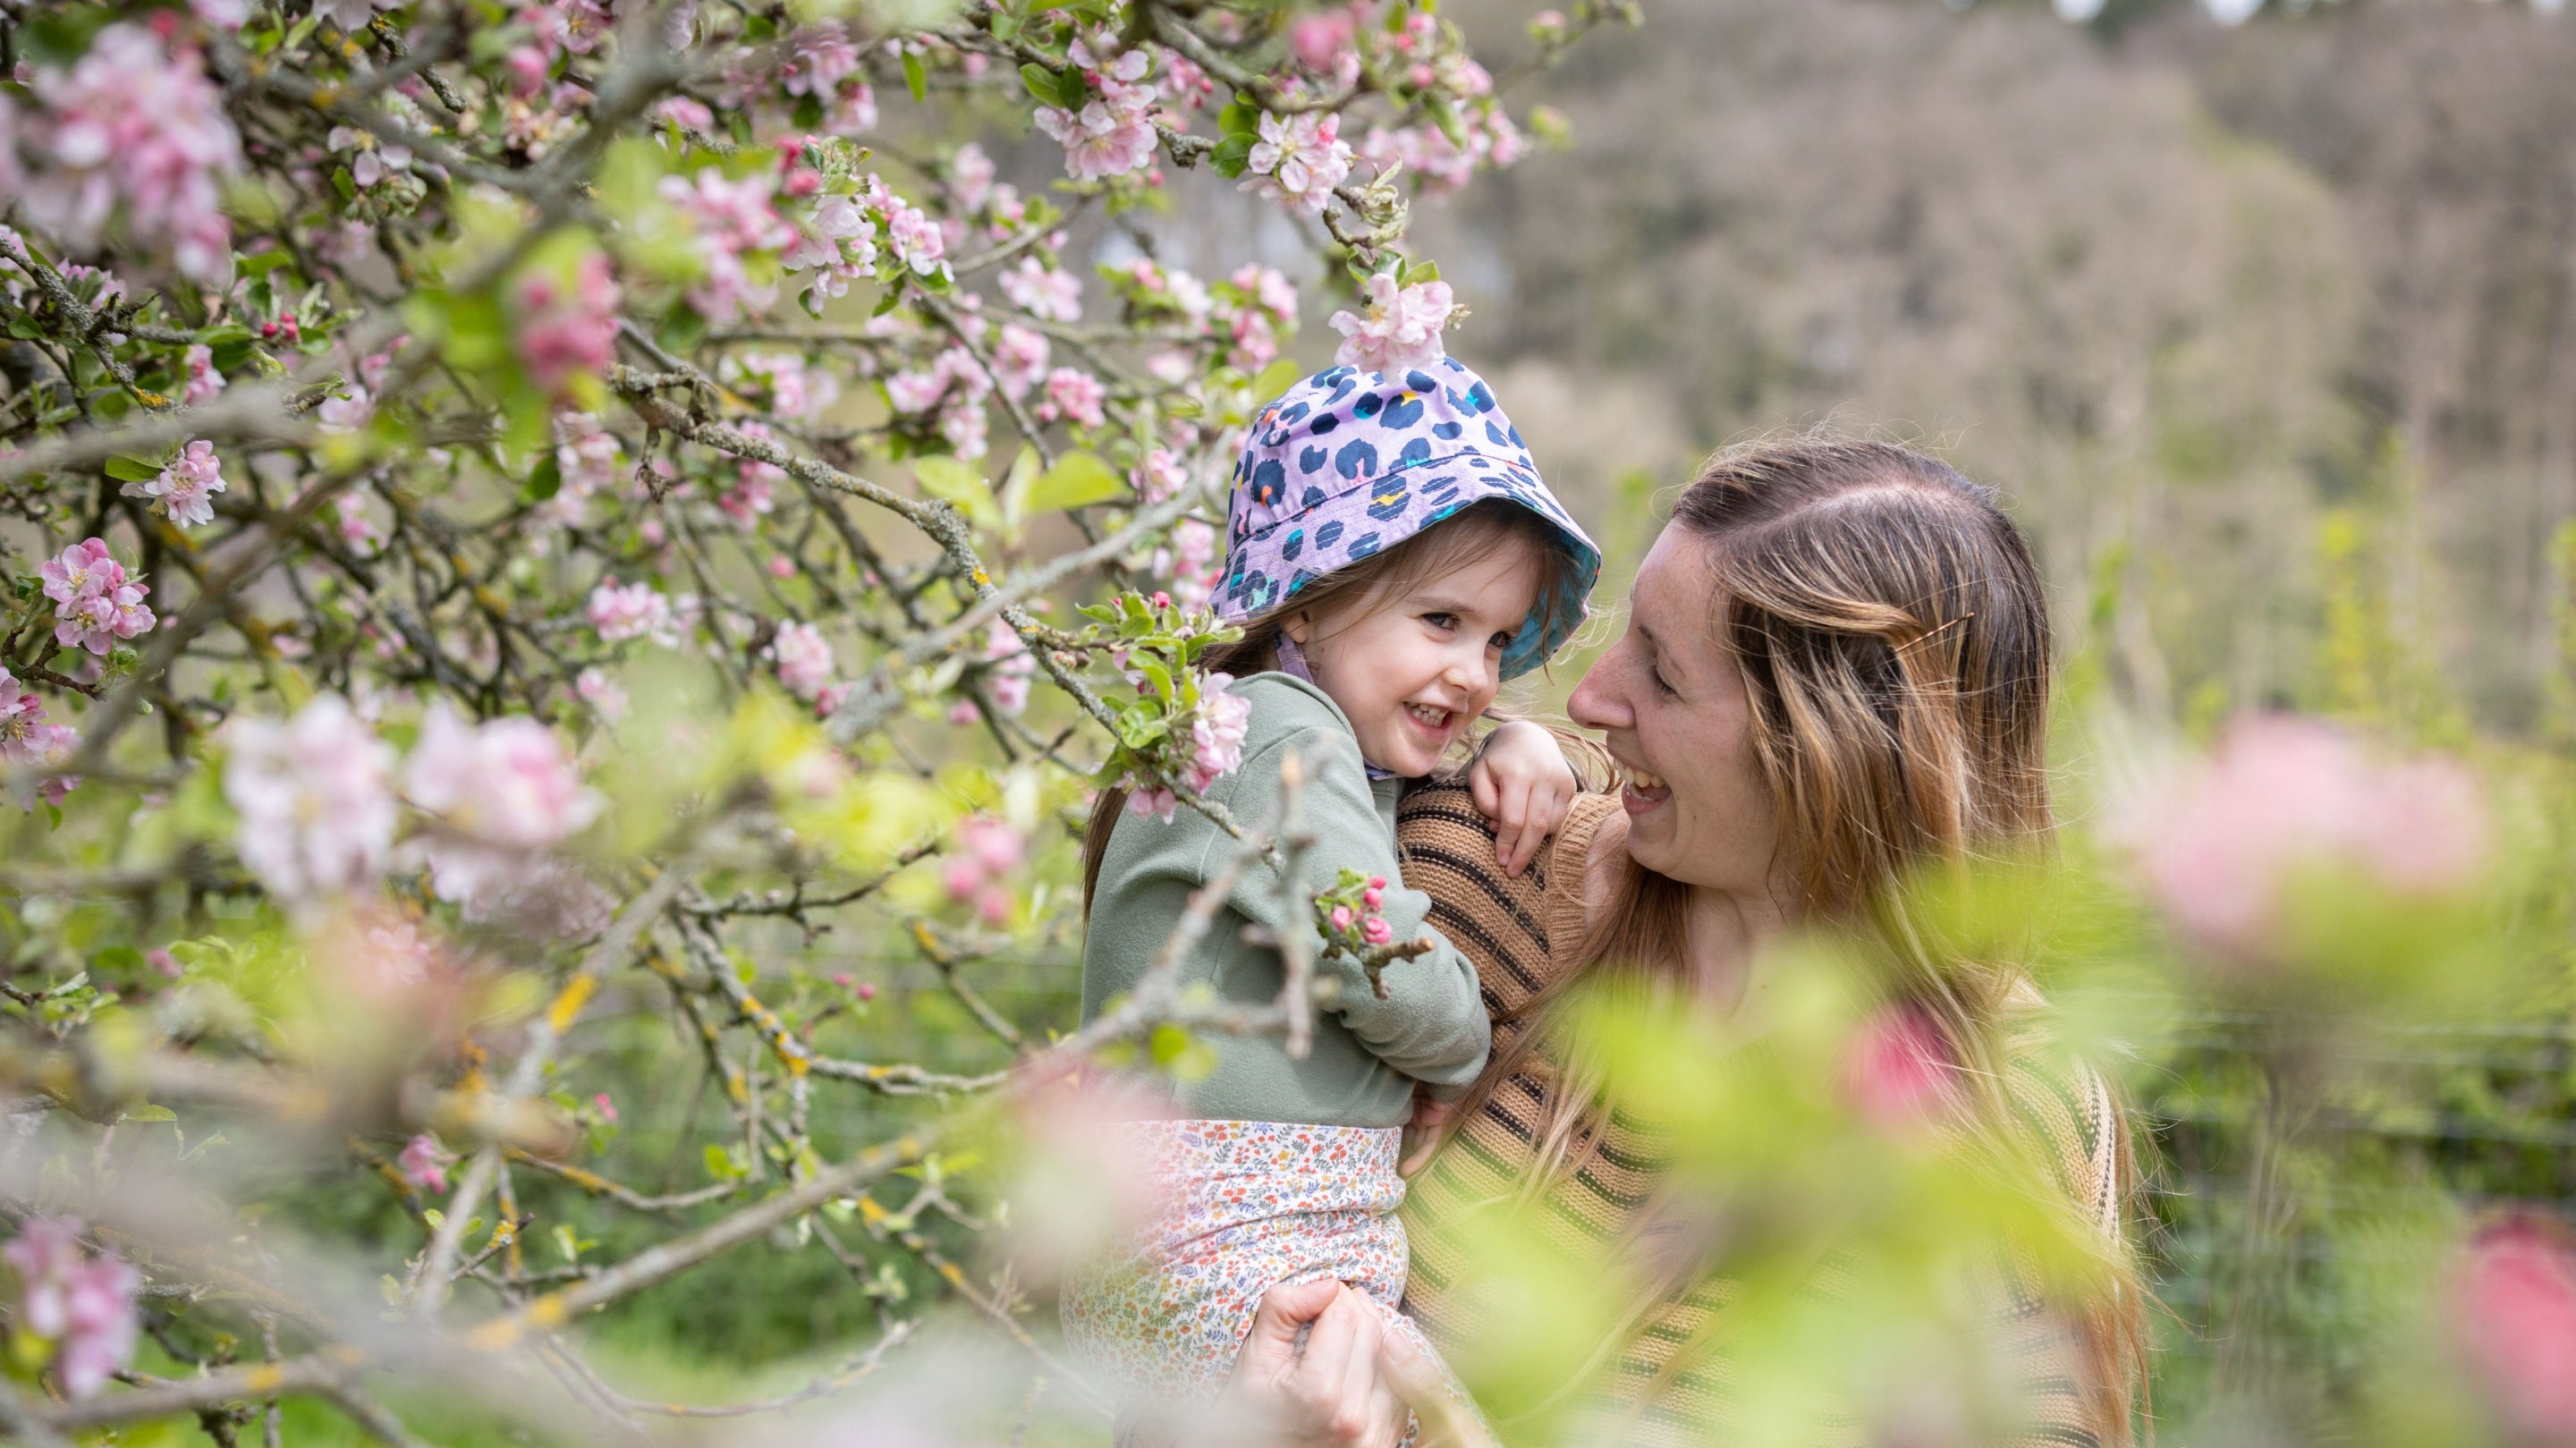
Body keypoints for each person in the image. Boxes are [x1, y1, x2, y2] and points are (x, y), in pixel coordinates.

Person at [1223, 436, 2147, 1447]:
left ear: (1834, 752)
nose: (1589, 697)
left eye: (1662, 675)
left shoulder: (2005, 1106)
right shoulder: (1483, 867)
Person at [1065, 358, 1603, 1436]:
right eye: (1441, 620)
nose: (1477, 671)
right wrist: (1461, 1051)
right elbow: (1383, 959)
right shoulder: (1277, 732)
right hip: (1233, 1226)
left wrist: (1524, 743)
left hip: (1221, 1230)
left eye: (1498, 640)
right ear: (1308, 604)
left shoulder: (1279, 738)